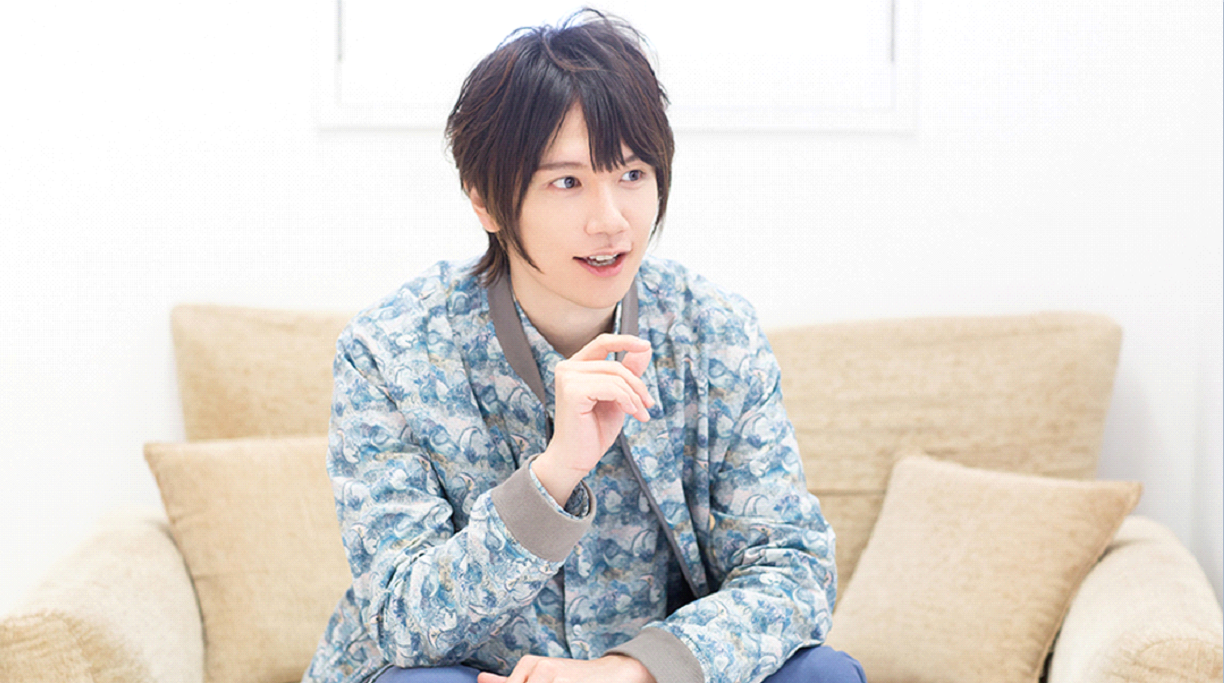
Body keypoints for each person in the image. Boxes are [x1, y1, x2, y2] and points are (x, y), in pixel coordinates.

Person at [304, 10, 864, 683]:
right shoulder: (389, 351)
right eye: (567, 181)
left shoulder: (714, 333)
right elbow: (403, 620)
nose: (611, 220)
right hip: (473, 675)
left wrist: (632, 671)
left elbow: (793, 571)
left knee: (823, 674)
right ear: (485, 201)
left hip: (653, 680)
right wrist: (554, 475)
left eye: (632, 174)